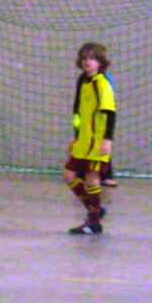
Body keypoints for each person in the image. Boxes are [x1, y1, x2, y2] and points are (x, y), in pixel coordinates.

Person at [63, 42, 116, 235]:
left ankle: (94, 223)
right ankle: (95, 210)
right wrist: (76, 136)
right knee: (69, 175)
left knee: (91, 178)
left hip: (97, 140)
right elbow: (77, 112)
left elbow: (110, 113)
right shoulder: (82, 81)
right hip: (83, 140)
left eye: (92, 58)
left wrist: (107, 140)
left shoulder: (102, 83)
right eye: (84, 58)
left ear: (100, 62)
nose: (87, 62)